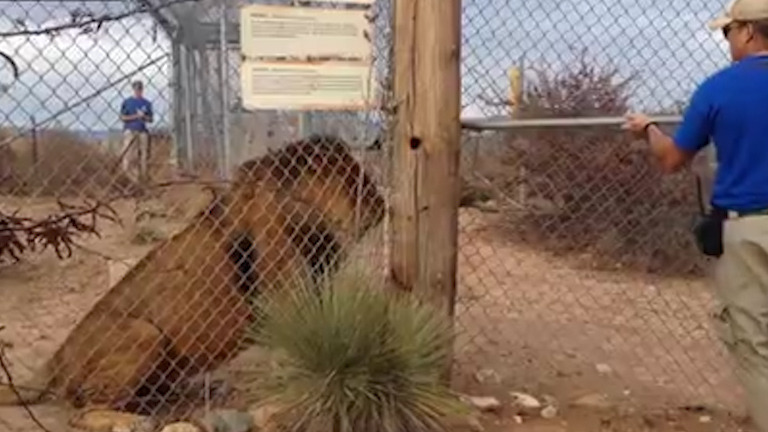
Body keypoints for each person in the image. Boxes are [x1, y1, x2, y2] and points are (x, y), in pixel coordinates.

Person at [622, 0, 768, 429]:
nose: (727, 42)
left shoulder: (718, 88)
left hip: (749, 228)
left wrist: (648, 128)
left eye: (728, 33)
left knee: (753, 341)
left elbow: (672, 160)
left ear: (746, 32)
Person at [120, 80, 153, 185]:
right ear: (133, 89)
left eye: (140, 89)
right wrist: (135, 116)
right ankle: (127, 176)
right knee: (129, 154)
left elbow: (151, 119)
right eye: (136, 89)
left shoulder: (146, 103)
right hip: (130, 130)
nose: (138, 91)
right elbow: (123, 117)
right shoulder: (127, 102)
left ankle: (143, 176)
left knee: (143, 155)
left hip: (142, 131)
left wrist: (144, 117)